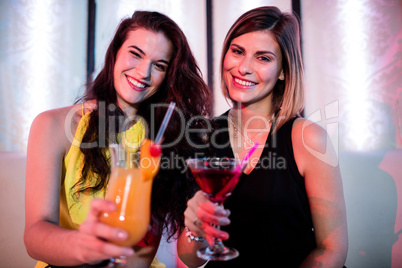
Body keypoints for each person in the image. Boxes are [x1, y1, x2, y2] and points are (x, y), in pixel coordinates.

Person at [24, 10, 211, 268]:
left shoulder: (163, 141)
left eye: (159, 65)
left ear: (168, 76)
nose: (144, 72)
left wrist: (197, 228)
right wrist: (84, 246)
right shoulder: (52, 125)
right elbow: (35, 235)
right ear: (115, 53)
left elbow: (169, 256)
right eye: (135, 53)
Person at [177, 6, 348, 268]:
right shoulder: (201, 135)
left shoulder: (308, 138)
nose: (243, 68)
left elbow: (332, 249)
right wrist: (195, 229)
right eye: (237, 52)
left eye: (263, 58)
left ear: (283, 71)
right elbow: (190, 259)